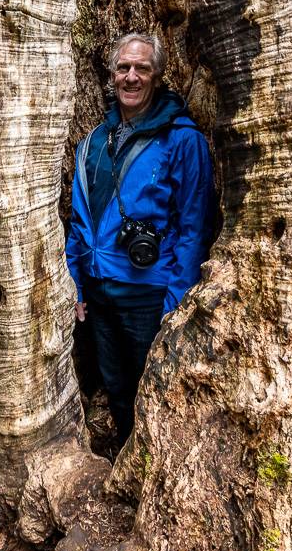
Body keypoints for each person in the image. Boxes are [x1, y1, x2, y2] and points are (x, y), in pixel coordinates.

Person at [65, 33, 214, 445]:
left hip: (149, 295)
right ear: (112, 75)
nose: (131, 77)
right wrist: (76, 284)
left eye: (142, 68)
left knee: (156, 391)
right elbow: (80, 220)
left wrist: (176, 302)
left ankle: (153, 476)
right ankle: (126, 467)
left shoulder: (182, 140)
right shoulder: (93, 142)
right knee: (117, 389)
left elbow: (193, 227)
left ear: (157, 75)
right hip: (97, 294)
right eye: (124, 68)